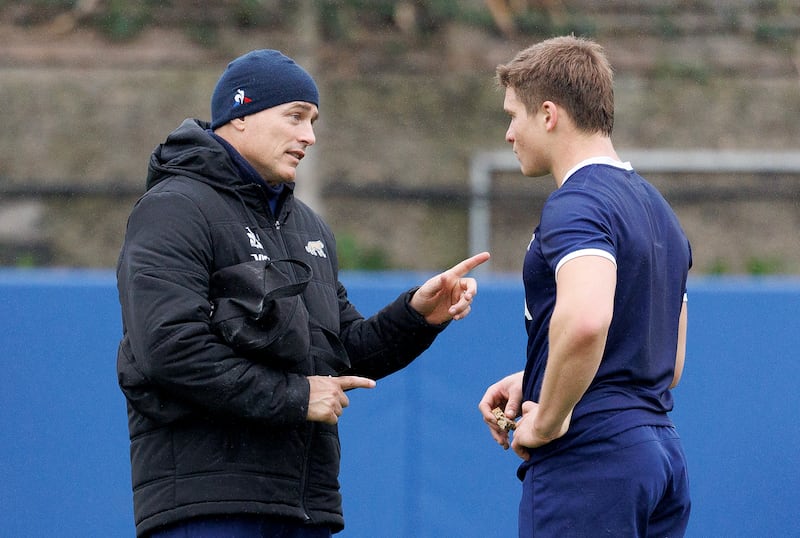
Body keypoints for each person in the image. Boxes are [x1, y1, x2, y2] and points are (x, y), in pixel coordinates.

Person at [116, 48, 490, 538]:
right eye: (294, 117)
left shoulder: (306, 226)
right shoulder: (174, 208)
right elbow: (168, 348)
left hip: (303, 508)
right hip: (207, 505)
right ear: (241, 115)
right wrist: (294, 396)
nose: (309, 136)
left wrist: (417, 316)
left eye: (312, 121)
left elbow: (337, 354)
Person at [478, 36, 692, 537]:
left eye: (514, 115)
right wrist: (539, 375)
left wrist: (547, 417)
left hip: (592, 459)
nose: (509, 133)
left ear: (549, 114)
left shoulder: (577, 203)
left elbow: (588, 320)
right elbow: (669, 360)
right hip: (659, 456)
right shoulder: (660, 211)